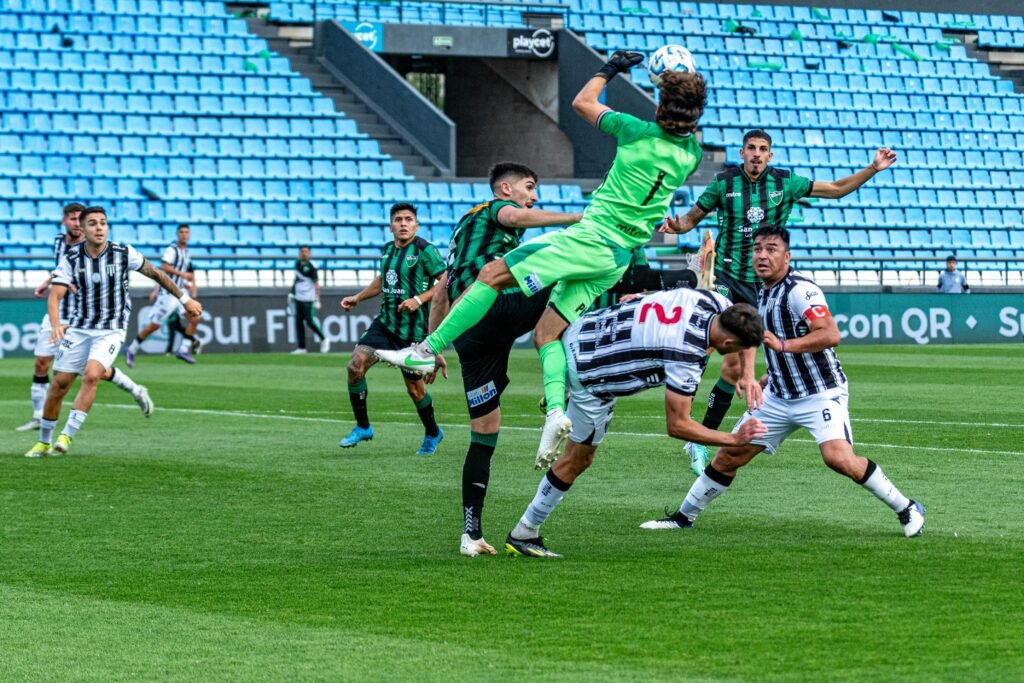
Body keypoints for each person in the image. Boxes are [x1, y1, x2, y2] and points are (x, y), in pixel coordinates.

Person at [378, 52, 708, 469]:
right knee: (546, 335)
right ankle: (556, 411)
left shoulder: (634, 131)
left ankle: (427, 348)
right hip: (615, 258)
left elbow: (582, 102)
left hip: (592, 238)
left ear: (660, 106)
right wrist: (682, 93)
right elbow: (685, 129)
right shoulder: (692, 154)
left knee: (492, 273)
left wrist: (609, 70)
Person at [640, 226, 924, 537]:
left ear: (786, 257)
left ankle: (907, 507)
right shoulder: (762, 290)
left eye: (771, 249)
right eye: (758, 248)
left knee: (838, 458)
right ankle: (683, 518)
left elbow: (830, 334)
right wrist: (760, 376)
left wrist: (784, 346)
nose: (762, 255)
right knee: (730, 455)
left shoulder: (800, 290)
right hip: (777, 395)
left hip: (820, 393)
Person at [660, 129, 898, 476]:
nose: (757, 154)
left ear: (770, 155)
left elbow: (835, 190)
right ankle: (693, 428)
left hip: (763, 288)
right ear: (742, 153)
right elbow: (689, 221)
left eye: (763, 150)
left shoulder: (785, 183)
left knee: (731, 369)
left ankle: (697, 440)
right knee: (713, 345)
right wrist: (675, 227)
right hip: (727, 279)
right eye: (751, 149)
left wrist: (872, 168)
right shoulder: (723, 184)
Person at [503, 290, 767, 559]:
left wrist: (747, 374)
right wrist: (734, 439)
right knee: (578, 459)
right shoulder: (684, 354)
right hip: (590, 375)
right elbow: (677, 425)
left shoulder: (710, 300)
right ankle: (524, 532)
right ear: (728, 340)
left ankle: (559, 393)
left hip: (582, 330)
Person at [421, 162, 582, 557]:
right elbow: (517, 215)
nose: (534, 196)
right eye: (529, 187)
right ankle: (560, 393)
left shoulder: (463, 231)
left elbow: (441, 291)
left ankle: (470, 535)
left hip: (472, 336)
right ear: (505, 189)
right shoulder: (494, 210)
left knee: (485, 430)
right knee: (579, 266)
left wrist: (433, 346)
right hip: (496, 306)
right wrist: (582, 217)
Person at [24, 207, 202, 457]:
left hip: (111, 329)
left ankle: (66, 436)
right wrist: (55, 324)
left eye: (103, 223)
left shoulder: (123, 253)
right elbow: (55, 295)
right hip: (80, 327)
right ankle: (43, 442)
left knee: (92, 375)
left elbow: (157, 274)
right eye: (93, 223)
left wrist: (185, 299)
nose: (99, 228)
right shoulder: (72, 257)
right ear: (83, 229)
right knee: (59, 385)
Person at [17, 203, 153, 432]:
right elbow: (61, 269)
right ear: (66, 222)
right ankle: (39, 416)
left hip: (86, 314)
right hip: (59, 311)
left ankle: (135, 389)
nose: (75, 223)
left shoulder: (93, 245)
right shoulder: (60, 242)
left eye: (78, 219)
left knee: (89, 371)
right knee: (41, 362)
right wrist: (48, 282)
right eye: (71, 219)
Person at [337, 203, 447, 455]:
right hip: (385, 324)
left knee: (415, 390)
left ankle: (433, 432)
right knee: (355, 366)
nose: (404, 223)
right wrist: (358, 297)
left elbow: (445, 282)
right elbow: (383, 279)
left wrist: (419, 299)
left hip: (413, 332)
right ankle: (363, 426)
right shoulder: (387, 250)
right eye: (398, 219)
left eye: (409, 219)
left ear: (416, 225)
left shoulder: (425, 250)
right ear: (391, 226)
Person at [125, 224, 199, 366]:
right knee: (154, 326)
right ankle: (132, 348)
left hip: (181, 293)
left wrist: (186, 283)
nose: (184, 235)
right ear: (177, 234)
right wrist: (182, 275)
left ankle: (183, 350)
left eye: (187, 232)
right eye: (182, 232)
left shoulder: (186, 251)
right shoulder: (172, 250)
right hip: (168, 294)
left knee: (195, 317)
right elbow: (164, 267)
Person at [289, 245, 331, 354]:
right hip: (298, 297)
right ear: (299, 253)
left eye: (306, 251)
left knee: (309, 320)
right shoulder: (296, 263)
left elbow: (316, 284)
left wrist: (317, 298)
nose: (304, 253)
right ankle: (301, 347)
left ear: (309, 253)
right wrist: (292, 293)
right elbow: (296, 280)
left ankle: (324, 339)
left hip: (309, 297)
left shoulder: (312, 266)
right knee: (298, 322)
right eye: (302, 251)